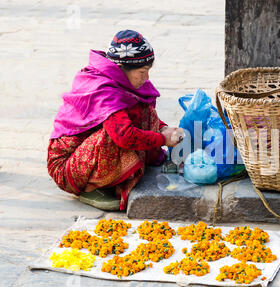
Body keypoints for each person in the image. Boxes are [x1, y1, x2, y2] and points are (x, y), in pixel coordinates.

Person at [47, 30, 183, 211]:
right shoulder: (104, 89)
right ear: (120, 68)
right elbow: (124, 137)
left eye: (148, 71)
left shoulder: (125, 83)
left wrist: (164, 129)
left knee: (143, 109)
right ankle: (90, 188)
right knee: (114, 135)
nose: (146, 77)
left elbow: (145, 117)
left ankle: (114, 175)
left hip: (87, 153)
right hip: (67, 167)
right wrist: (162, 139)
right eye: (142, 71)